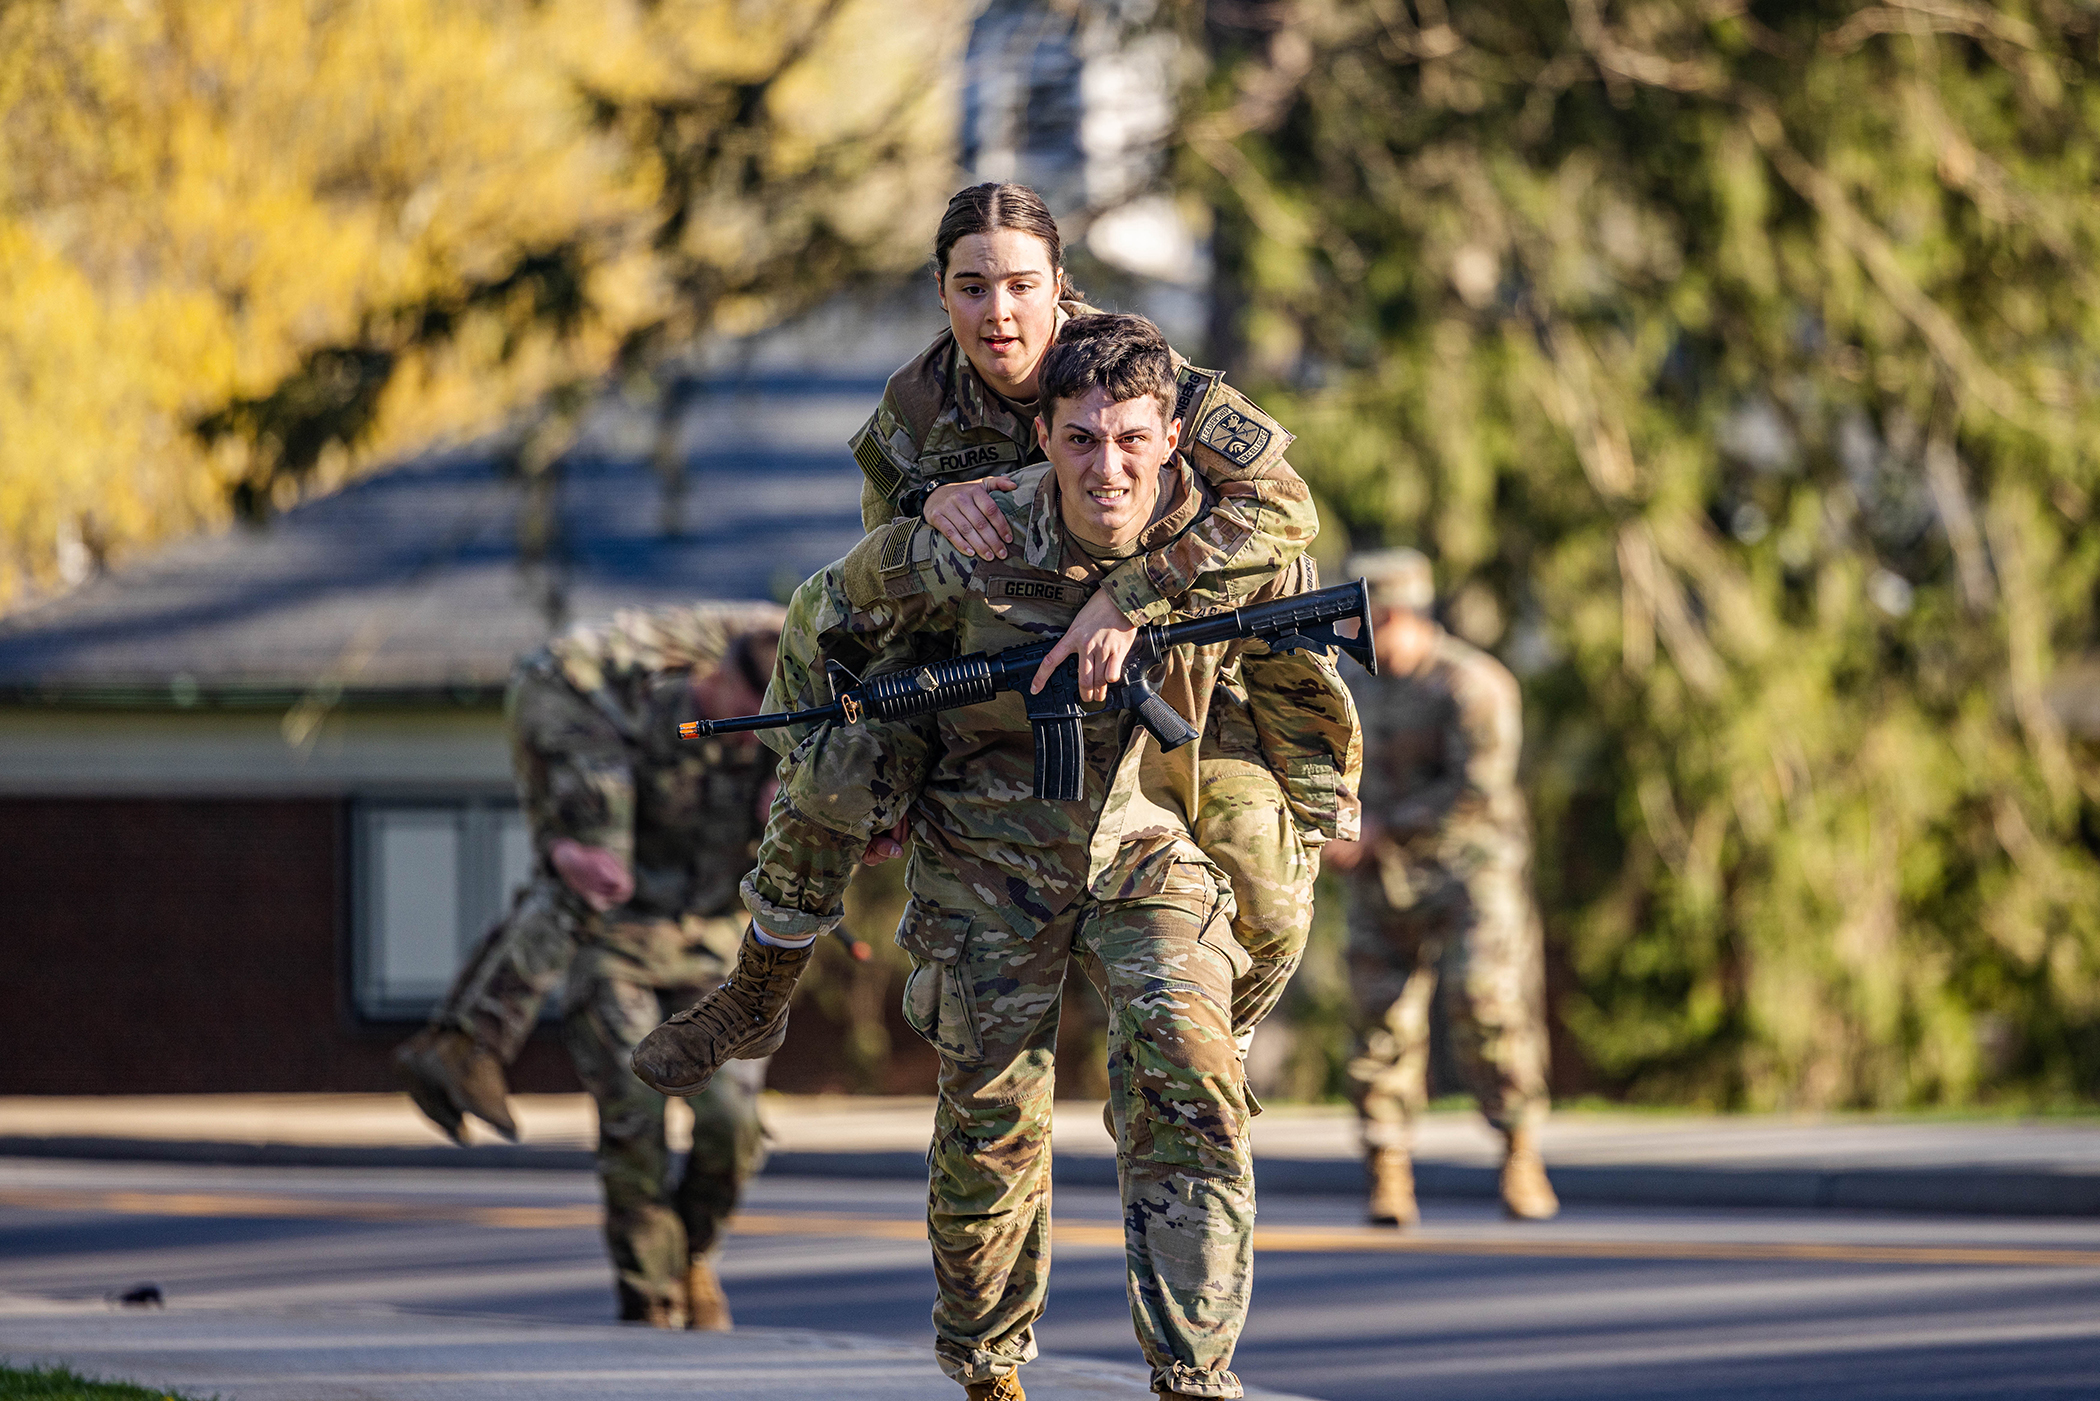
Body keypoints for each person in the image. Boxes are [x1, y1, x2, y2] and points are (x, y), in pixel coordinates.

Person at [630, 315, 1361, 1401]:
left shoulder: (1222, 538)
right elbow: (819, 612)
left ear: (1171, 438)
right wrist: (813, 768)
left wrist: (1138, 603)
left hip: (1154, 840)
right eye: (1077, 441)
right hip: (987, 841)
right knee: (989, 1111)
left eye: (1129, 440)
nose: (1105, 468)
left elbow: (1297, 559)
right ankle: (986, 1369)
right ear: (1044, 436)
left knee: (1191, 1074)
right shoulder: (974, 536)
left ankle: (1195, 1374)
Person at [853, 180, 1346, 1056]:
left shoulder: (1133, 371)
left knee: (1267, 902)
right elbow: (889, 596)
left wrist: (1134, 595)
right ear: (941, 291)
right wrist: (927, 514)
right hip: (1013, 707)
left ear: (1058, 283)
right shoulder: (914, 413)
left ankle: (1194, 1060)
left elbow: (1284, 506)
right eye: (973, 287)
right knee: (983, 1008)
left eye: (1020, 285)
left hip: (1185, 684)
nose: (998, 313)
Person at [394, 602, 785, 1328]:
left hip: (716, 955)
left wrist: (796, 811)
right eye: (734, 703)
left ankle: (692, 1253)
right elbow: (573, 812)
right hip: (620, 951)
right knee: (633, 1114)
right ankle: (650, 1296)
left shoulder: (785, 745)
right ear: (716, 676)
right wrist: (561, 848)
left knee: (731, 1123)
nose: (741, 722)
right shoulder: (633, 716)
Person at [1322, 549, 1559, 1227]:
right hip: (1379, 878)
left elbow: (1478, 789)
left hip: (1467, 873)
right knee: (1377, 1023)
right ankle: (1387, 1168)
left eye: (1369, 619)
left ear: (1399, 615)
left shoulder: (1472, 684)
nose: (1356, 634)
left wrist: (1380, 826)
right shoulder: (1349, 685)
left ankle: (1519, 1149)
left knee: (1487, 1005)